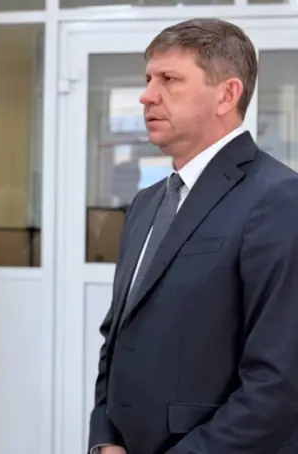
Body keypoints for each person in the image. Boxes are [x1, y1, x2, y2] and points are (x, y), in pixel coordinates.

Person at [88, 18, 298, 454]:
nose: (147, 95)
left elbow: (278, 384)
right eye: (148, 79)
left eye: (169, 79)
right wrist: (105, 439)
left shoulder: (279, 199)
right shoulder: (146, 204)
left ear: (227, 94)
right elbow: (117, 339)